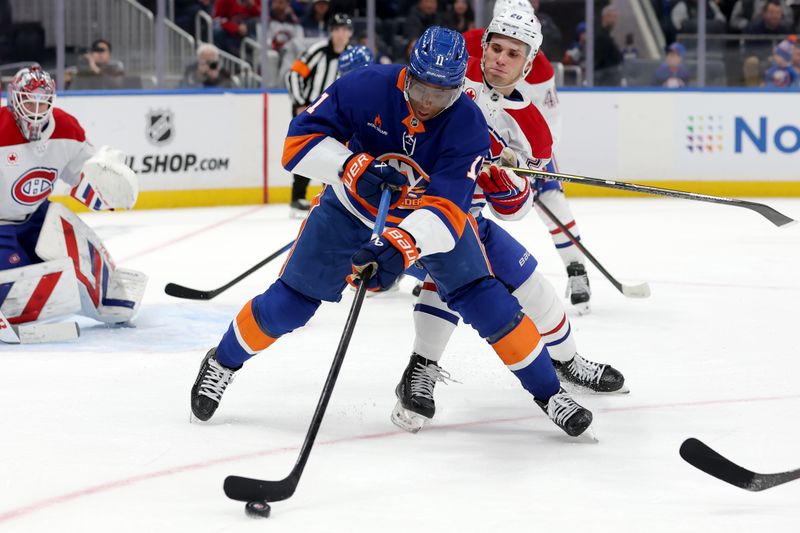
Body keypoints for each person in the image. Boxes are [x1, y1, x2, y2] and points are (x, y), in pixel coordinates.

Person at [190, 26, 595, 439]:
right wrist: (350, 166)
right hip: (347, 211)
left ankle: (550, 393)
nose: (427, 102)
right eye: (421, 88)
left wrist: (400, 247)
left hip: (426, 221)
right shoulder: (364, 87)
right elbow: (297, 144)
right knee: (289, 306)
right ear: (408, 73)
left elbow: (449, 209)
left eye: (441, 94)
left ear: (459, 87)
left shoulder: (467, 125)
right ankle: (221, 363)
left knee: (487, 300)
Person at [391, 9, 625, 434]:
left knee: (536, 290)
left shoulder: (533, 129)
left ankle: (568, 362)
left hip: (473, 221)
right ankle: (420, 369)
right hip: (420, 210)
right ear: (483, 47)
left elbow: (514, 210)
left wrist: (507, 181)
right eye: (495, 48)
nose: (500, 59)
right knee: (447, 277)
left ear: (528, 63)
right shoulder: (450, 82)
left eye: (512, 54)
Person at [463, 0, 592, 314]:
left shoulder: (540, 67)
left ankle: (576, 267)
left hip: (518, 142)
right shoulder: (470, 42)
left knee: (551, 197)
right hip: (469, 142)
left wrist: (524, 165)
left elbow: (548, 127)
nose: (503, 57)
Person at [0, 66, 146, 326]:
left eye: (41, 103)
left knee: (70, 267)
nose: (35, 111)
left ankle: (104, 296)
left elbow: (85, 175)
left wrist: (109, 183)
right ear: (14, 100)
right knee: (15, 290)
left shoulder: (66, 127)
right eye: (28, 102)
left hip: (37, 216)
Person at [284, 13, 353, 217]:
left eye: (345, 30)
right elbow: (294, 74)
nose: (341, 34)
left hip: (335, 115)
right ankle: (297, 199)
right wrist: (300, 102)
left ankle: (328, 199)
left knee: (332, 154)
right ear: (331, 31)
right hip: (311, 111)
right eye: (337, 29)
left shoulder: (350, 55)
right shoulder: (318, 51)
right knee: (306, 150)